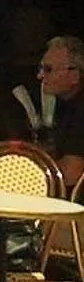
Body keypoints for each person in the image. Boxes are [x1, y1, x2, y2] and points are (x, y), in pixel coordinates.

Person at [37, 35, 84, 190]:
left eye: (48, 69)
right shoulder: (65, 104)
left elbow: (71, 173)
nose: (40, 76)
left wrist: (26, 173)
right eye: (41, 68)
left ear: (75, 75)